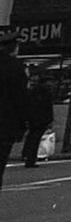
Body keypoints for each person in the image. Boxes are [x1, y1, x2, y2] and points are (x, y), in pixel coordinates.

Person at [0, 30, 26, 192]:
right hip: (5, 125)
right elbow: (20, 99)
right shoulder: (16, 68)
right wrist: (21, 126)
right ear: (14, 48)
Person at [21, 74, 54, 168]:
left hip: (33, 119)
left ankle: (26, 155)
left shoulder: (33, 92)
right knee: (35, 140)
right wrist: (49, 119)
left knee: (31, 138)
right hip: (41, 119)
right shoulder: (45, 92)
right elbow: (47, 107)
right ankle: (30, 159)